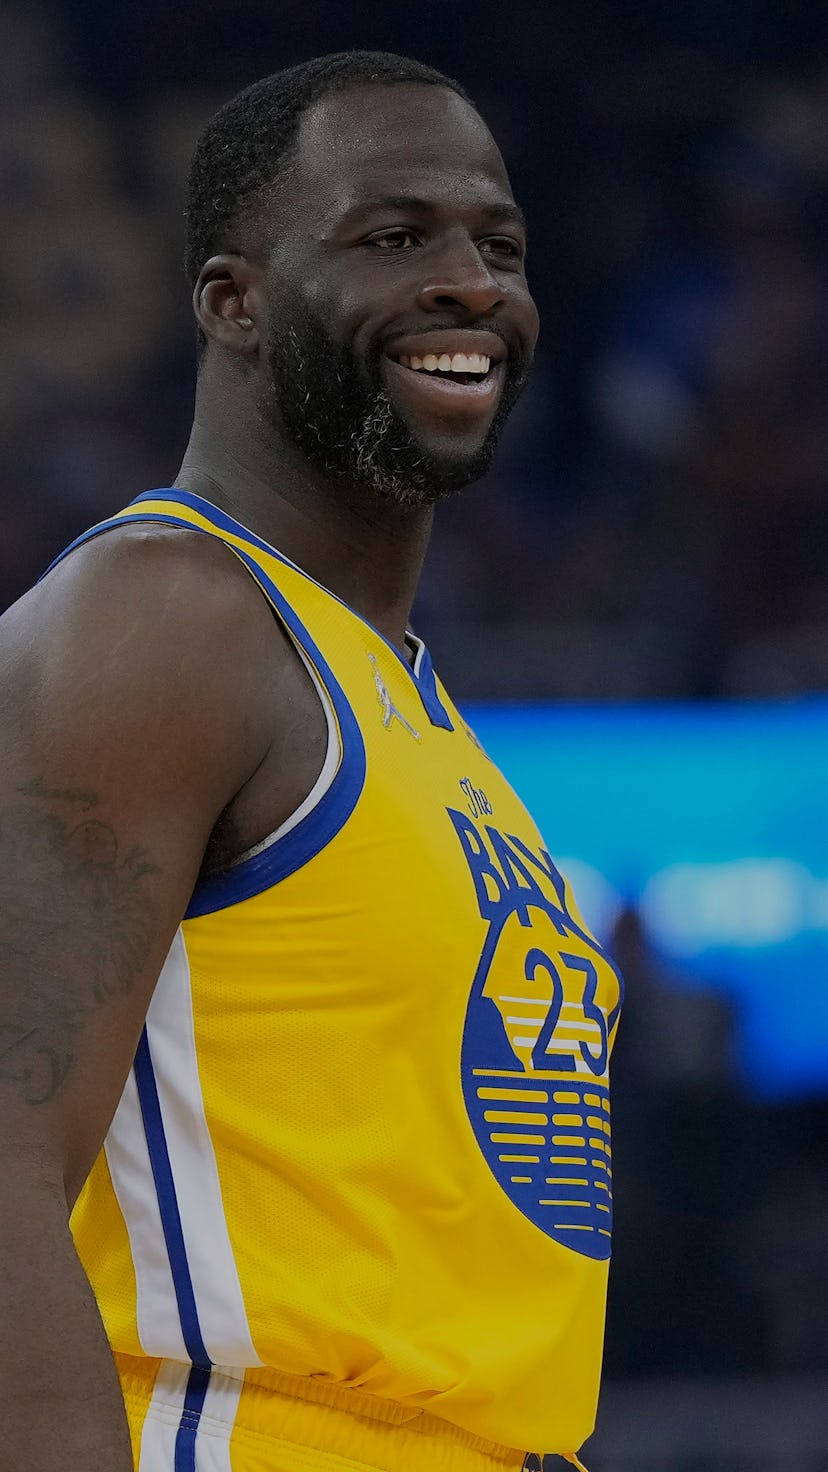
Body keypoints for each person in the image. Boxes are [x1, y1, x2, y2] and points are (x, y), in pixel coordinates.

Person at [0, 51, 622, 1472]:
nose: (473, 281)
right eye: (395, 237)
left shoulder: (407, 705)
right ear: (233, 302)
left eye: (500, 245)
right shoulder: (164, 618)